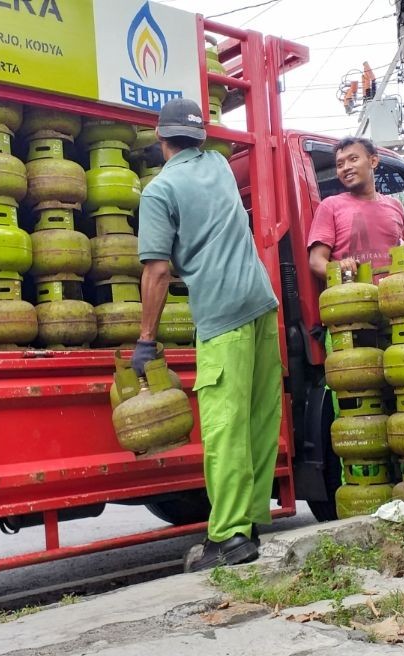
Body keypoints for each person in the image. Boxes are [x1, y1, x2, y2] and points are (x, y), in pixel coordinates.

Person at [131, 97, 282, 573]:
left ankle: (229, 537)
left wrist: (146, 339)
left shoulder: (159, 192)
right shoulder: (218, 164)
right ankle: (251, 521)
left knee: (224, 426)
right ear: (200, 137)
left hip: (221, 315)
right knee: (259, 419)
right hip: (260, 303)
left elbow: (156, 271)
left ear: (160, 138)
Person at [307, 137, 404, 280]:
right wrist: (341, 269)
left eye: (353, 159)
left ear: (373, 161)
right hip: (354, 299)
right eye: (340, 164)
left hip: (394, 296)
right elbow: (316, 262)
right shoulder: (330, 206)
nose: (346, 167)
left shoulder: (395, 205)